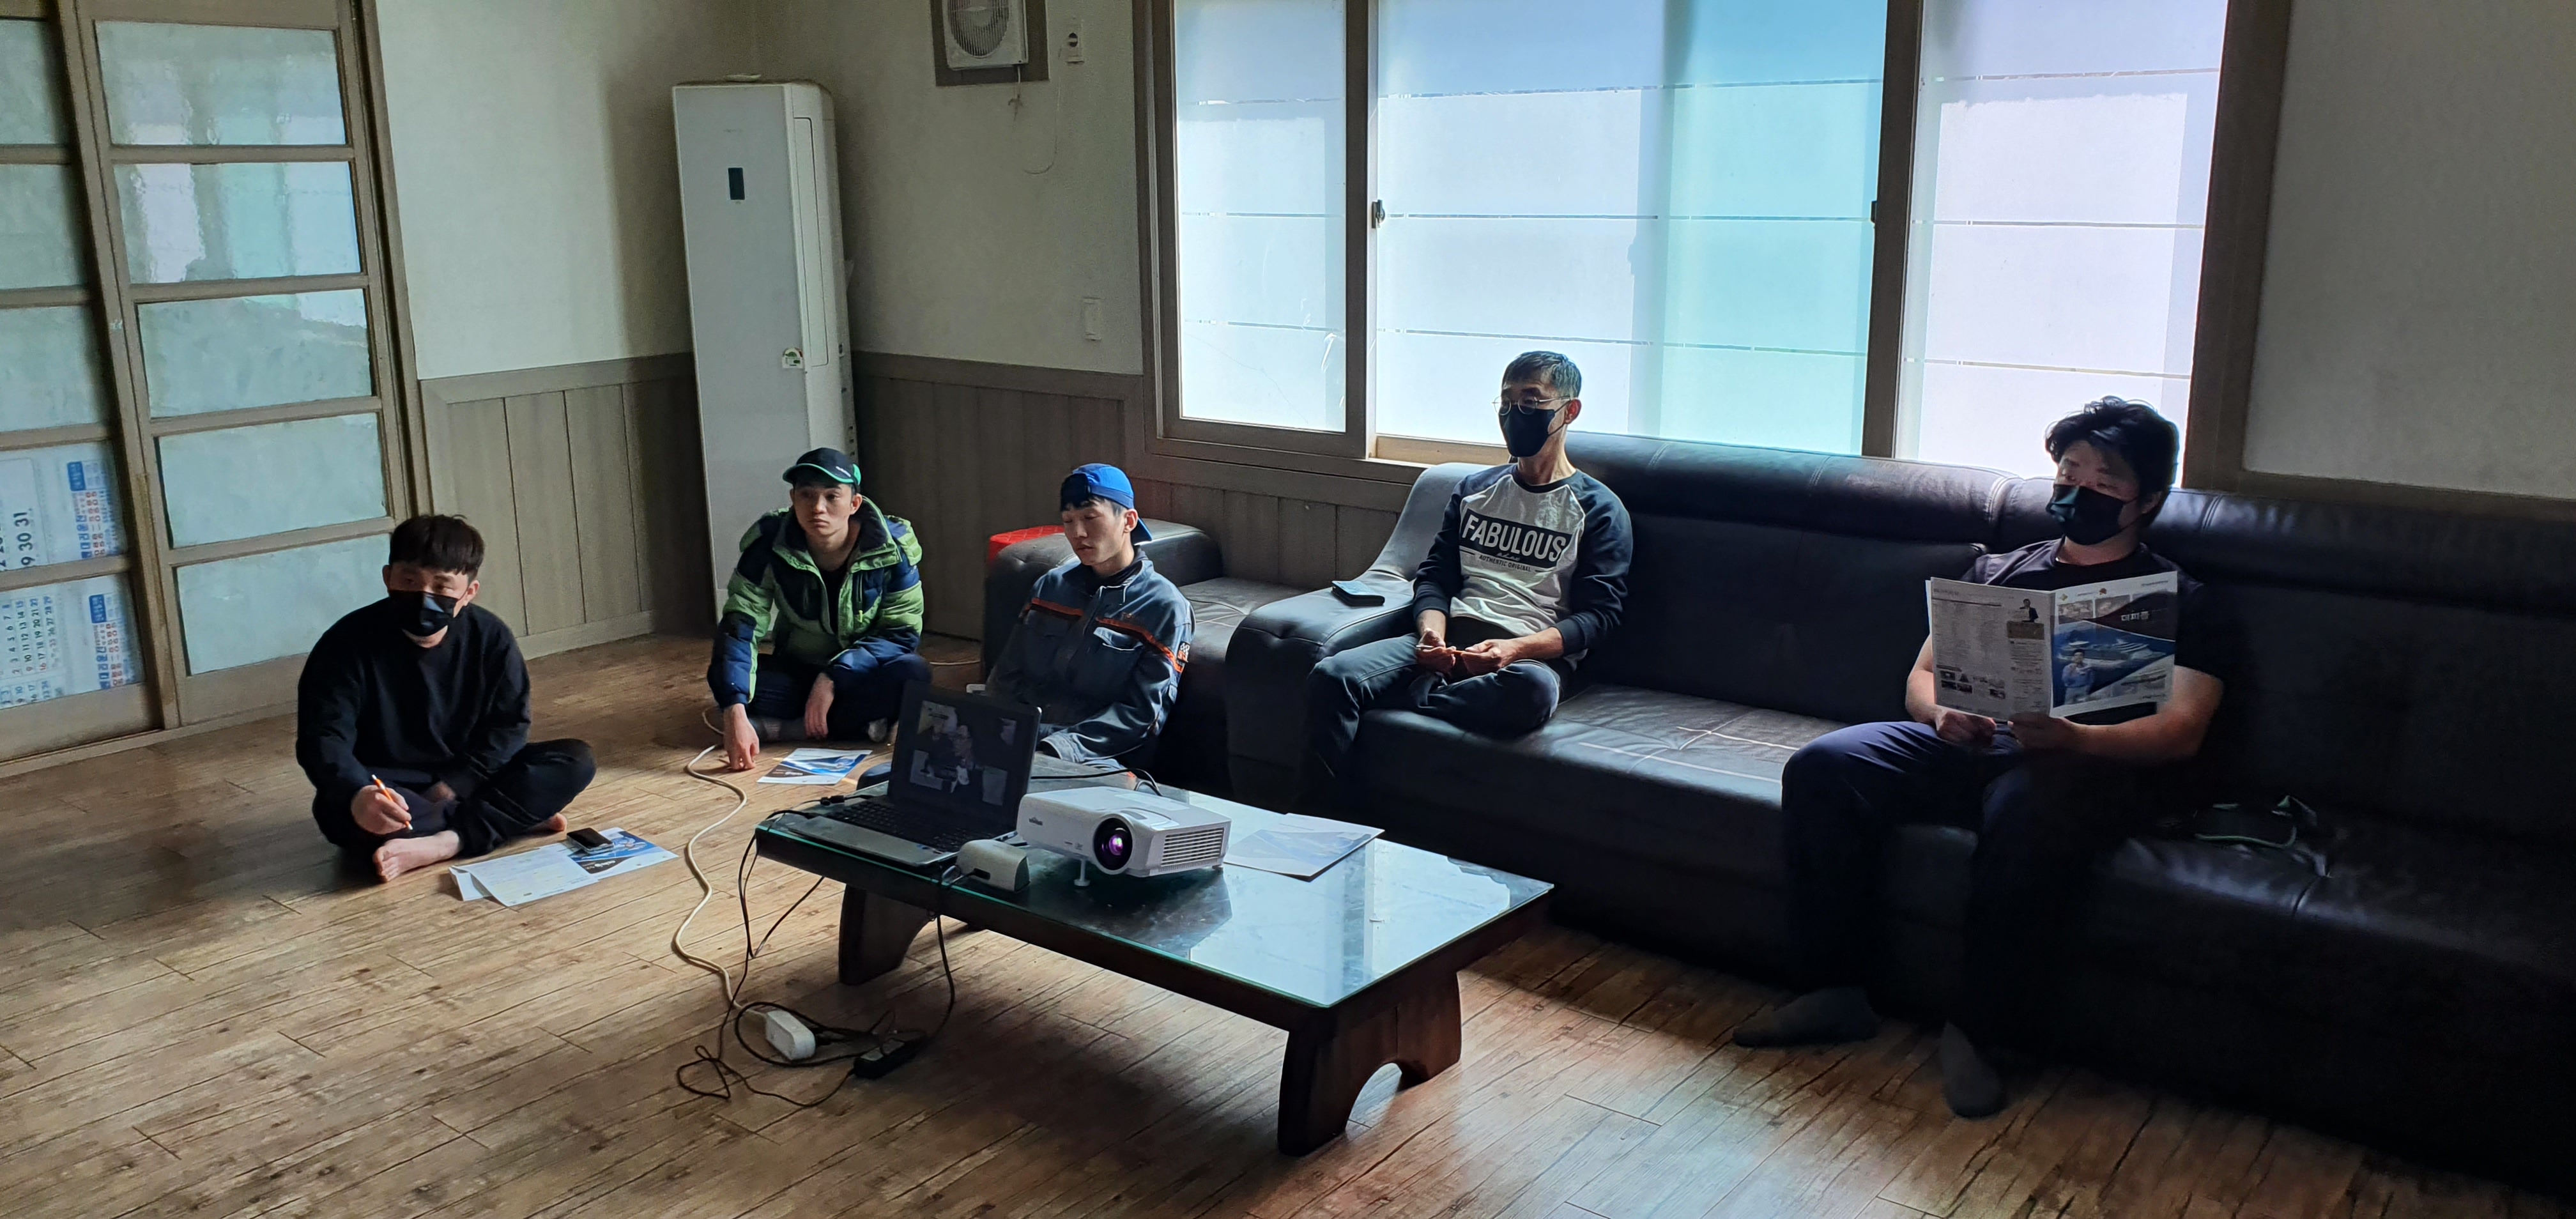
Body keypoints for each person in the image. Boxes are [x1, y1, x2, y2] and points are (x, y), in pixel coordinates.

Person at [1732, 397, 2236, 1120]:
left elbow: (2183, 731)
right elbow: (1922, 676)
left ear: (2148, 500)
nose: (2079, 492)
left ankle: (1981, 1033)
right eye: (2069, 474)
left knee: (2028, 808)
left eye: (2104, 482)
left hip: (2091, 764)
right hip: (1977, 741)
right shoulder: (1998, 571)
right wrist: (1941, 715)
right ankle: (1832, 990)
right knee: (1827, 765)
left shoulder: (2183, 601)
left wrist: (2079, 739)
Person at [1306, 351, 1634, 805]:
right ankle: (1314, 825)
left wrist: (1513, 650)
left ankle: (1417, 696)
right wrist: (1431, 636)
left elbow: (1599, 618)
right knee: (1333, 675)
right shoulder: (1475, 490)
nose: (1514, 414)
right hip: (1448, 640)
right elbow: (1434, 578)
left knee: (1533, 694)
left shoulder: (1599, 509)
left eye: (1531, 401)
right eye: (1506, 402)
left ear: (1569, 411)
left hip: (1523, 658)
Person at [297, 515, 597, 882]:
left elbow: (510, 726)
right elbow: (324, 737)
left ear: (469, 592)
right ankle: (506, 818)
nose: (424, 596)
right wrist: (358, 792)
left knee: (575, 761)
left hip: (470, 776)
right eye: (410, 581)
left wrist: (457, 784)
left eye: (441, 586)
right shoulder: (344, 643)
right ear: (388, 578)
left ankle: (446, 842)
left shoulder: (492, 638)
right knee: (336, 815)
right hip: (388, 785)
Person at [710, 447, 930, 770]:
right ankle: (857, 726)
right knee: (733, 683)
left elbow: (901, 633)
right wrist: (734, 710)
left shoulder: (892, 548)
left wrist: (833, 677)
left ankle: (788, 728)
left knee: (914, 675)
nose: (818, 508)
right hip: (798, 670)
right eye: (807, 496)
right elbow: (739, 626)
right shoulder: (768, 544)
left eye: (832, 496)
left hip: (858, 674)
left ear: (854, 504)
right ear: (793, 499)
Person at [987, 463, 1192, 766]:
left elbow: (1140, 718)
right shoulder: (1050, 587)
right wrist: (990, 727)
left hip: (1095, 757)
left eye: (1090, 518)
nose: (1077, 533)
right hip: (1023, 739)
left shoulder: (1164, 607)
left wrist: (1056, 750)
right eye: (1068, 521)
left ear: (1129, 521)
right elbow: (1006, 676)